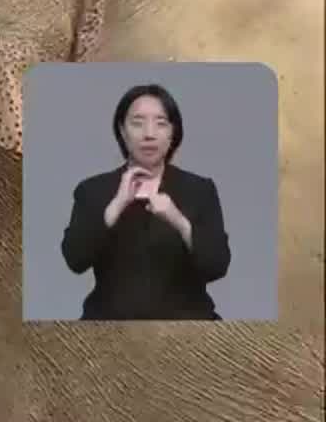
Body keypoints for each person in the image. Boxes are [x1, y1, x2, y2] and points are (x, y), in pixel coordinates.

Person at [59, 82, 231, 319]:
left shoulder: (199, 190)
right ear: (122, 130)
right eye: (137, 123)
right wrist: (115, 206)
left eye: (161, 123)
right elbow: (75, 260)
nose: (149, 134)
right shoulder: (93, 190)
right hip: (110, 330)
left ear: (173, 133)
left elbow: (217, 265)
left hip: (188, 331)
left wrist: (178, 220)